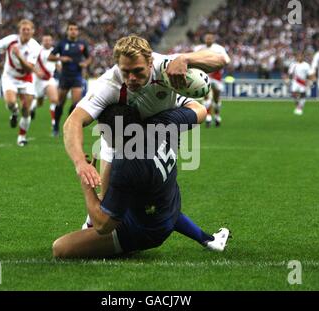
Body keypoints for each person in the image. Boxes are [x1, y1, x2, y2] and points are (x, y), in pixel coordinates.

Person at [62, 35, 229, 228]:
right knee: (109, 205)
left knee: (152, 203)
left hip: (159, 139)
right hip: (118, 140)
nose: (131, 78)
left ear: (151, 63)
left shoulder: (166, 67)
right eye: (125, 71)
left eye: (138, 71)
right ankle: (90, 227)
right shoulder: (109, 84)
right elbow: (73, 122)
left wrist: (185, 58)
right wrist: (80, 163)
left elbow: (221, 59)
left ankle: (200, 238)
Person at [52, 104, 230, 258]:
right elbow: (199, 110)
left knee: (60, 248)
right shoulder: (163, 124)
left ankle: (123, 248)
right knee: (124, 198)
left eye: (103, 131)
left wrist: (86, 185)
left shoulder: (126, 166)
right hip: (168, 204)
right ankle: (208, 239)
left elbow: (102, 225)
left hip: (143, 231)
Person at [0, 19, 42, 146]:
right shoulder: (11, 40)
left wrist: (19, 56)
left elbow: (29, 68)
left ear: (32, 32)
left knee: (26, 109)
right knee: (11, 102)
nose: (26, 32)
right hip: (10, 76)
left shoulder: (35, 46)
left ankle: (21, 137)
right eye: (23, 29)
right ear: (19, 31)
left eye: (28, 30)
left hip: (26, 78)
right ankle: (14, 112)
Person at [48, 22, 92, 136]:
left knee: (76, 103)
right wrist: (61, 58)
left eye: (75, 29)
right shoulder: (62, 44)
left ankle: (68, 123)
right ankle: (56, 125)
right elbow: (50, 57)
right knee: (60, 103)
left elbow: (89, 58)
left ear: (78, 31)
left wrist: (85, 63)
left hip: (77, 77)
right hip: (65, 76)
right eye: (71, 29)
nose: (73, 31)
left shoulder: (82, 44)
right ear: (67, 31)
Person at [193, 32, 231, 127]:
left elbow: (227, 60)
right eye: (207, 38)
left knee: (216, 98)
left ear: (213, 39)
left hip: (217, 76)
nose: (208, 40)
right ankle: (208, 116)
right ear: (204, 39)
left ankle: (217, 116)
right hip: (204, 75)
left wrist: (217, 64)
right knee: (206, 96)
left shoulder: (219, 49)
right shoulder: (198, 49)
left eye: (210, 38)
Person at [30, 33, 59, 128]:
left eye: (49, 40)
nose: (47, 42)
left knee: (54, 100)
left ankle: (54, 122)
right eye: (45, 40)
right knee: (40, 102)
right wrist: (36, 71)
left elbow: (59, 65)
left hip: (49, 79)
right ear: (42, 41)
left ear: (51, 41)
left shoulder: (55, 52)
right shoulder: (37, 51)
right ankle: (33, 108)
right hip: (38, 80)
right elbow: (30, 64)